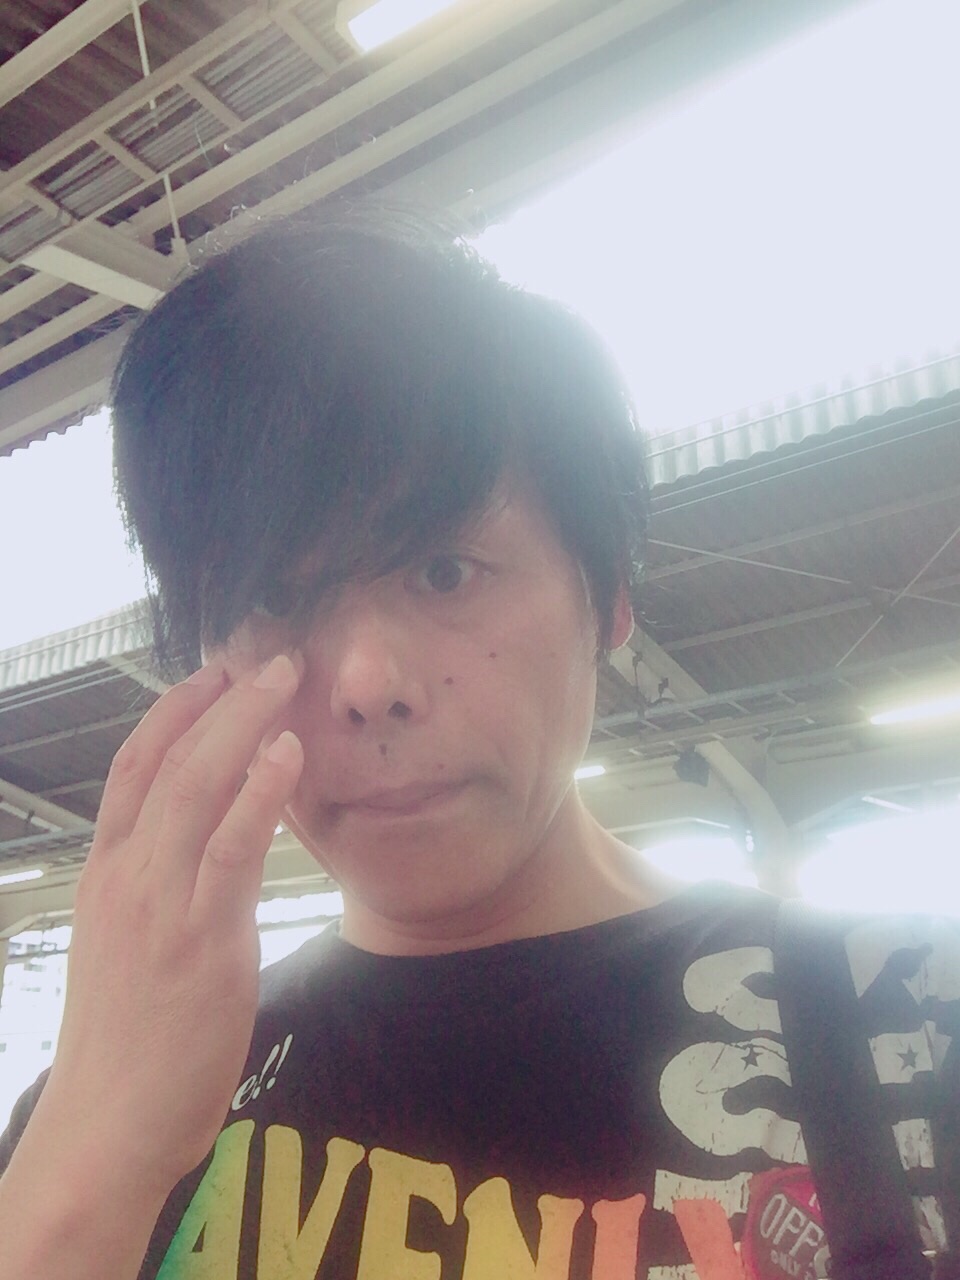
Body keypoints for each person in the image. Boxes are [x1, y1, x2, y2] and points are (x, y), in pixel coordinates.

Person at [0, 204, 957, 1280]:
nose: (366, 685)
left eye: (444, 571)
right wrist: (88, 1169)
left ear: (608, 598)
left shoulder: (912, 1025)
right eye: (276, 596)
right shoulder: (115, 1099)